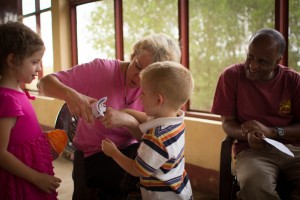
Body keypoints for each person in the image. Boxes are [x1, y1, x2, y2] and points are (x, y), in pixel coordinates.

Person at [37, 33, 181, 197]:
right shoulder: (101, 70)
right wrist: (71, 95)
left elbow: (156, 142)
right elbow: (43, 84)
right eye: (138, 66)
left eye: (147, 75)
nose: (139, 78)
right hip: (93, 155)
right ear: (133, 55)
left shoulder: (157, 91)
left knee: (159, 175)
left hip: (132, 150)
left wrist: (130, 122)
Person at [211, 28, 300, 199]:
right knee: (254, 187)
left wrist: (273, 132)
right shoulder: (231, 76)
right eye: (250, 57)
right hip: (252, 151)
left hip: (292, 150)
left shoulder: (294, 81)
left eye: (262, 62)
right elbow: (228, 123)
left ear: (278, 61)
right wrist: (248, 135)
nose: (252, 66)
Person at [102, 61, 194, 200]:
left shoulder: (155, 138)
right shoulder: (176, 120)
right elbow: (148, 119)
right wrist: (127, 112)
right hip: (180, 189)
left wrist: (113, 152)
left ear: (158, 100)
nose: (140, 97)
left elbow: (136, 169)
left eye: (143, 93)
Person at [0, 21, 61, 200]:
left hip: (33, 170)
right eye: (34, 62)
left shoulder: (18, 91)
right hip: (23, 180)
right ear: (12, 60)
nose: (39, 68)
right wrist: (36, 178)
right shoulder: (6, 99)